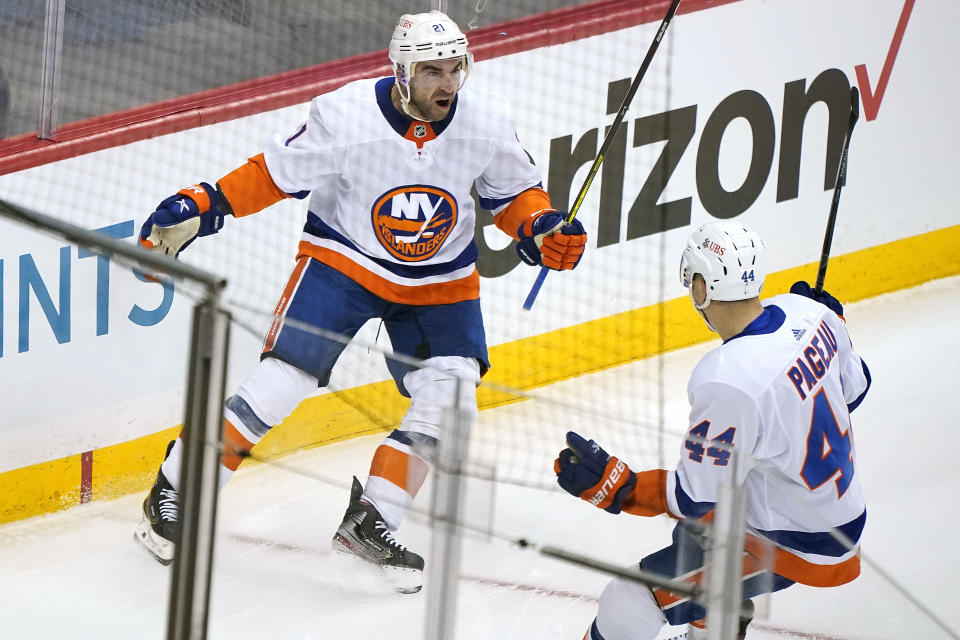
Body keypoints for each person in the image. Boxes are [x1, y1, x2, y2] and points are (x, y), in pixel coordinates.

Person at [133, 10, 587, 593]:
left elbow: (514, 193)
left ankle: (372, 522)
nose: (447, 84)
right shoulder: (346, 115)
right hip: (343, 262)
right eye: (432, 71)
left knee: (452, 401)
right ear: (400, 72)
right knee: (283, 381)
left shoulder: (487, 119)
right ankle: (175, 490)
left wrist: (542, 228)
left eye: (456, 68)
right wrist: (205, 202)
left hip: (439, 277)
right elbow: (273, 174)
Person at [554, 221, 871, 638]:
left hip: (796, 542)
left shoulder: (727, 378)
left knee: (629, 597)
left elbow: (693, 496)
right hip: (825, 514)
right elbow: (855, 389)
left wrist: (619, 487)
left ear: (701, 288)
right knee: (695, 533)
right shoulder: (809, 313)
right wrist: (834, 325)